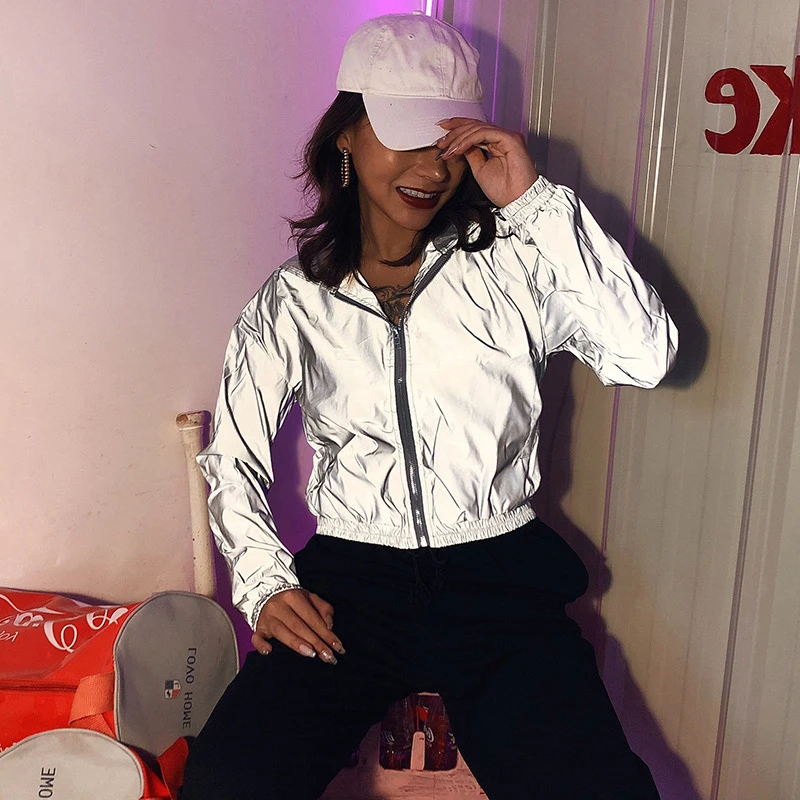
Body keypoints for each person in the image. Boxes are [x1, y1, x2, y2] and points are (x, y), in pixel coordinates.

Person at [178, 12, 676, 800]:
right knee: (228, 782)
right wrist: (265, 582)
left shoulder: (514, 265)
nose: (430, 169)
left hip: (498, 577)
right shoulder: (294, 298)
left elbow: (646, 356)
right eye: (405, 137)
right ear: (347, 134)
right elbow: (233, 455)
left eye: (450, 145)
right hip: (352, 585)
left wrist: (534, 202)